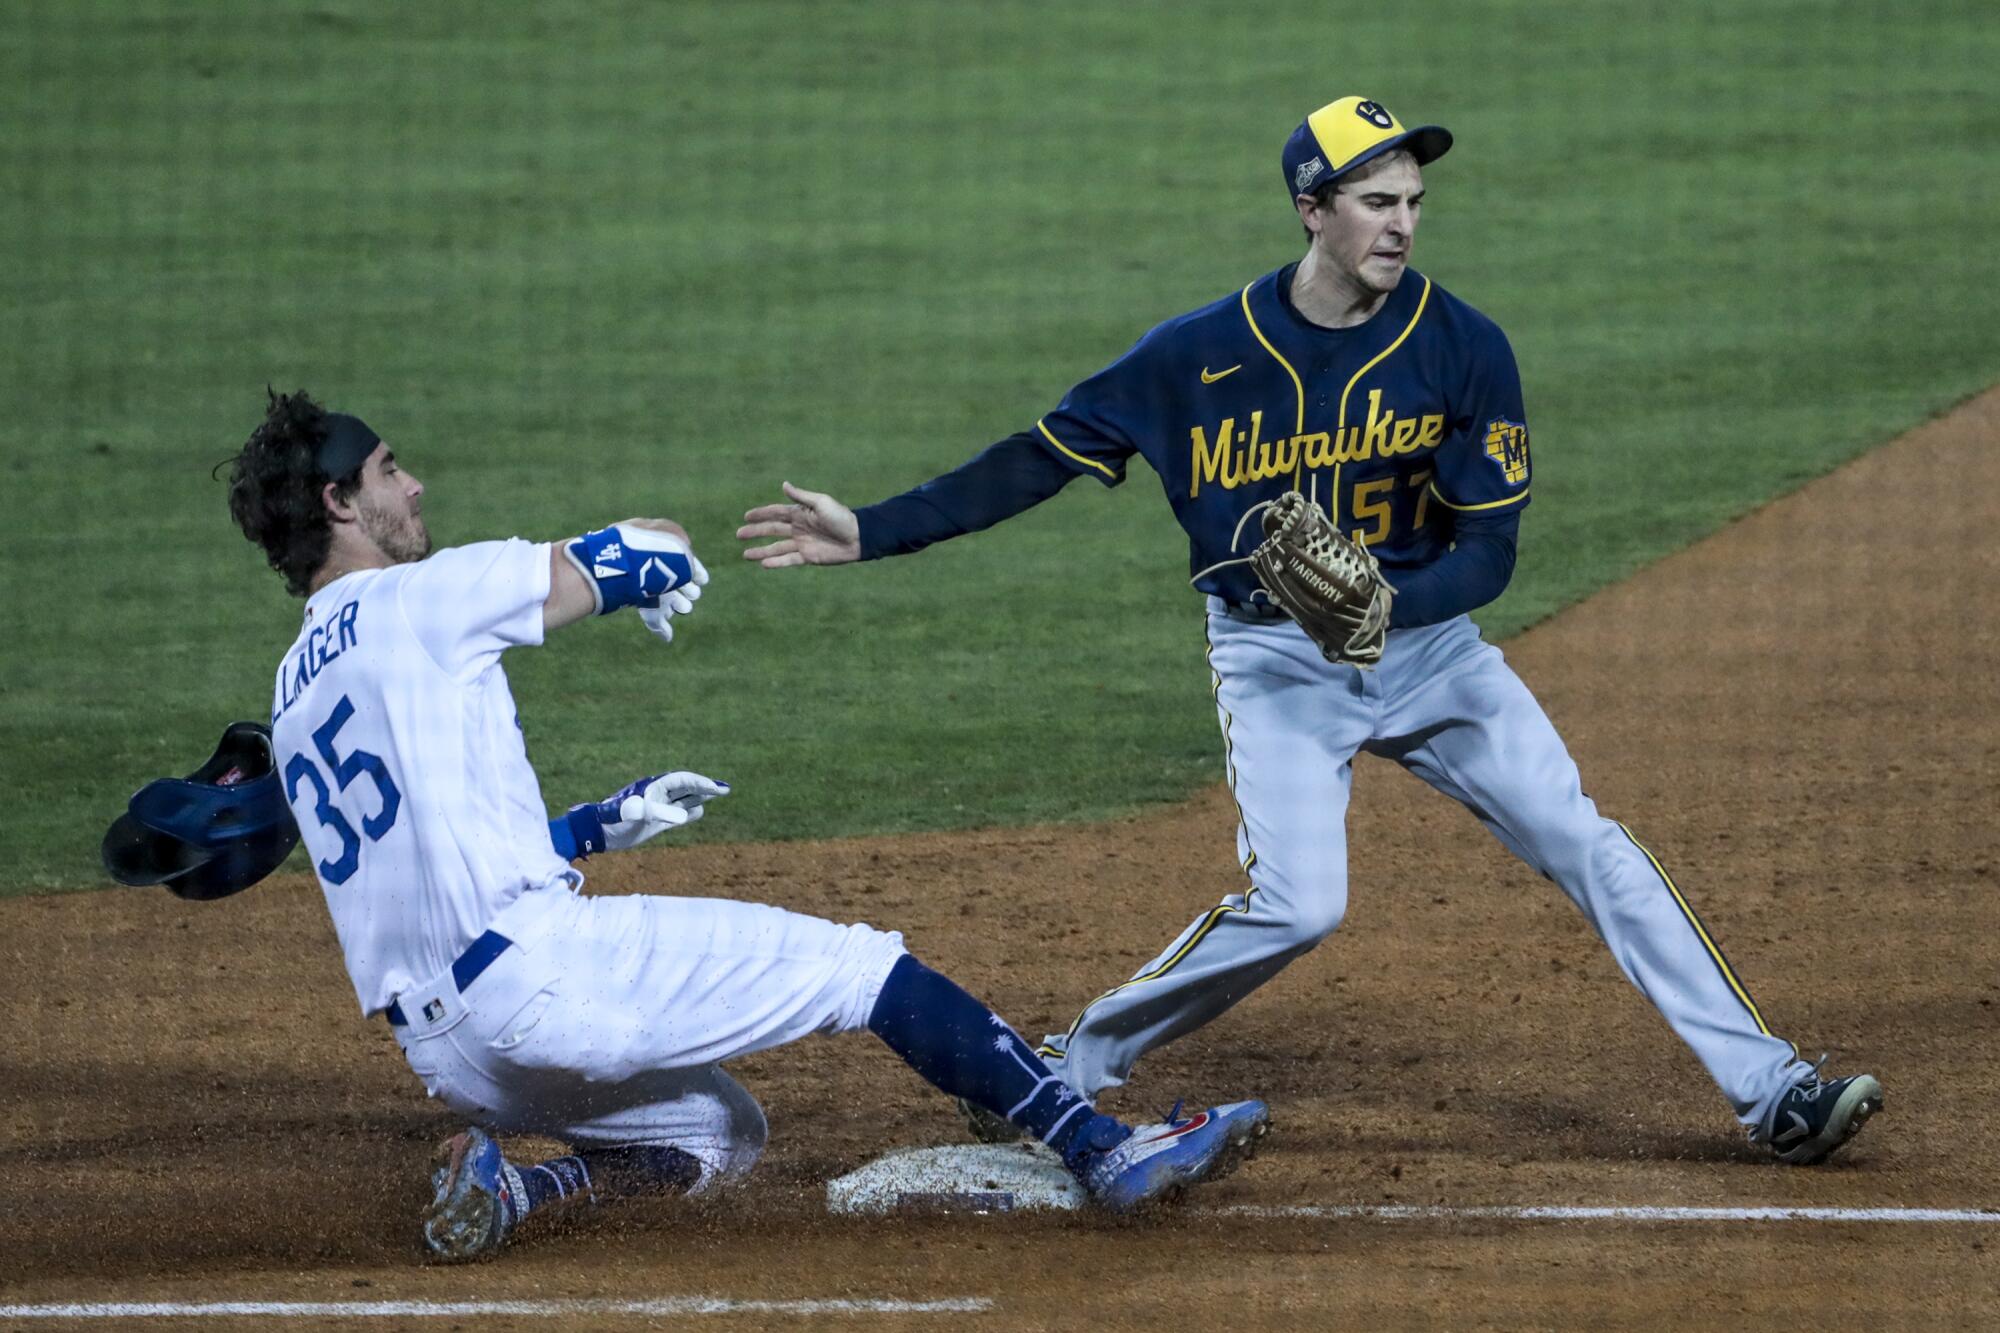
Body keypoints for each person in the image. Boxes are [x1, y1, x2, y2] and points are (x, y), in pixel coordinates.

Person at [737, 96, 1882, 1166]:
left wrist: (1395, 612)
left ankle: (1768, 1087)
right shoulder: (1192, 354)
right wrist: (872, 529)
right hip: (1277, 661)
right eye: (1375, 201)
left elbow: (1489, 550)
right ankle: (1067, 1066)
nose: (1401, 224)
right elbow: (1039, 457)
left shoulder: (1462, 346)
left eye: (1412, 202)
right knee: (1298, 905)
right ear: (1311, 208)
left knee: (1586, 842)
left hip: (1431, 655)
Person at [224, 390, 1270, 1262]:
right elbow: (642, 545)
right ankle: (1099, 1145)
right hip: (543, 977)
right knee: (867, 969)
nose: (412, 487)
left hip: (454, 1054)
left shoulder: (295, 694)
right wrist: (652, 568)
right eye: (390, 471)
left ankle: (513, 1194)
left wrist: (591, 825)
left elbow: (427, 866)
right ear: (338, 501)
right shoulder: (417, 599)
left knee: (720, 1134)